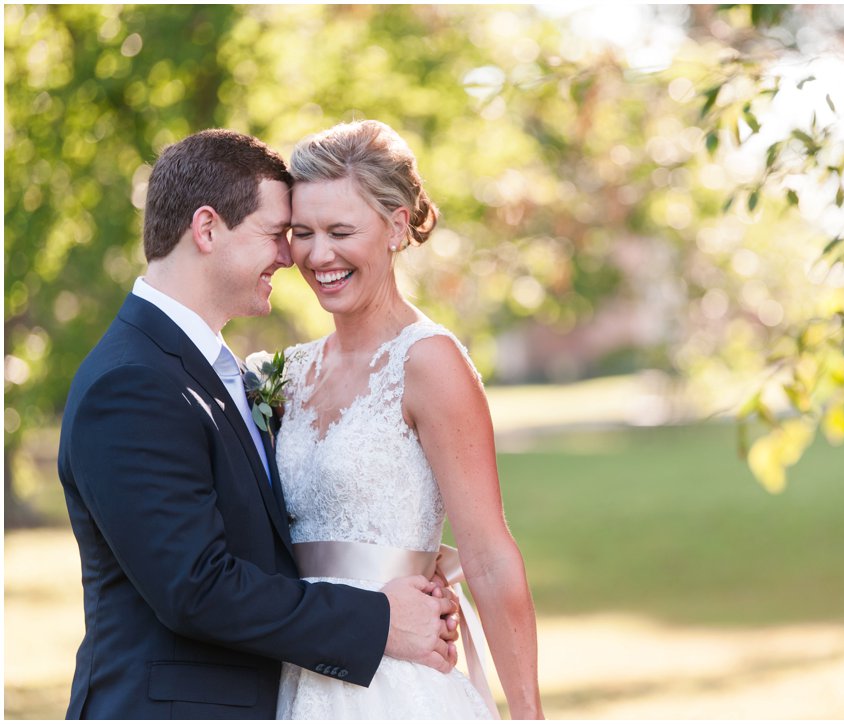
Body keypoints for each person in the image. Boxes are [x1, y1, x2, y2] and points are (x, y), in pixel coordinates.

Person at [56, 129, 460, 719]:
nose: (290, 257)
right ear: (207, 229)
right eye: (277, 233)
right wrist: (380, 619)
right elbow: (197, 587)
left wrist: (399, 560)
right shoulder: (131, 383)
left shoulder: (219, 371)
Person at [274, 120, 544, 719]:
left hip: (394, 687)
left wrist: (528, 715)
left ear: (397, 226)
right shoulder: (289, 373)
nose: (318, 255)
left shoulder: (429, 362)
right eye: (302, 233)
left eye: (341, 231)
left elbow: (489, 555)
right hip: (291, 669)